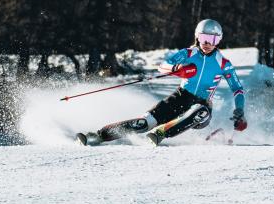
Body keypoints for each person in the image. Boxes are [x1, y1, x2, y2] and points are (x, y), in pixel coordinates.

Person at [76, 19, 247, 146]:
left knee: (199, 111)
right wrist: (177, 68)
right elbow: (163, 66)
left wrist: (239, 109)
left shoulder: (223, 63)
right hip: (180, 97)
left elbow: (237, 89)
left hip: (202, 105)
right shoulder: (188, 53)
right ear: (197, 37)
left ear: (219, 41)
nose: (208, 44)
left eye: (214, 40)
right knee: (143, 123)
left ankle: (160, 134)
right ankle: (98, 136)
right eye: (204, 38)